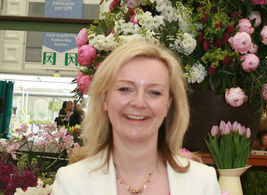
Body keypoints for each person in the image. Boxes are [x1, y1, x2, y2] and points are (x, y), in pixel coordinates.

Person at [52, 40, 220, 195]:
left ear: (167, 105)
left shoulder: (202, 182)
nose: (139, 103)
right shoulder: (71, 182)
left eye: (154, 92)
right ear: (105, 99)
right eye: (125, 89)